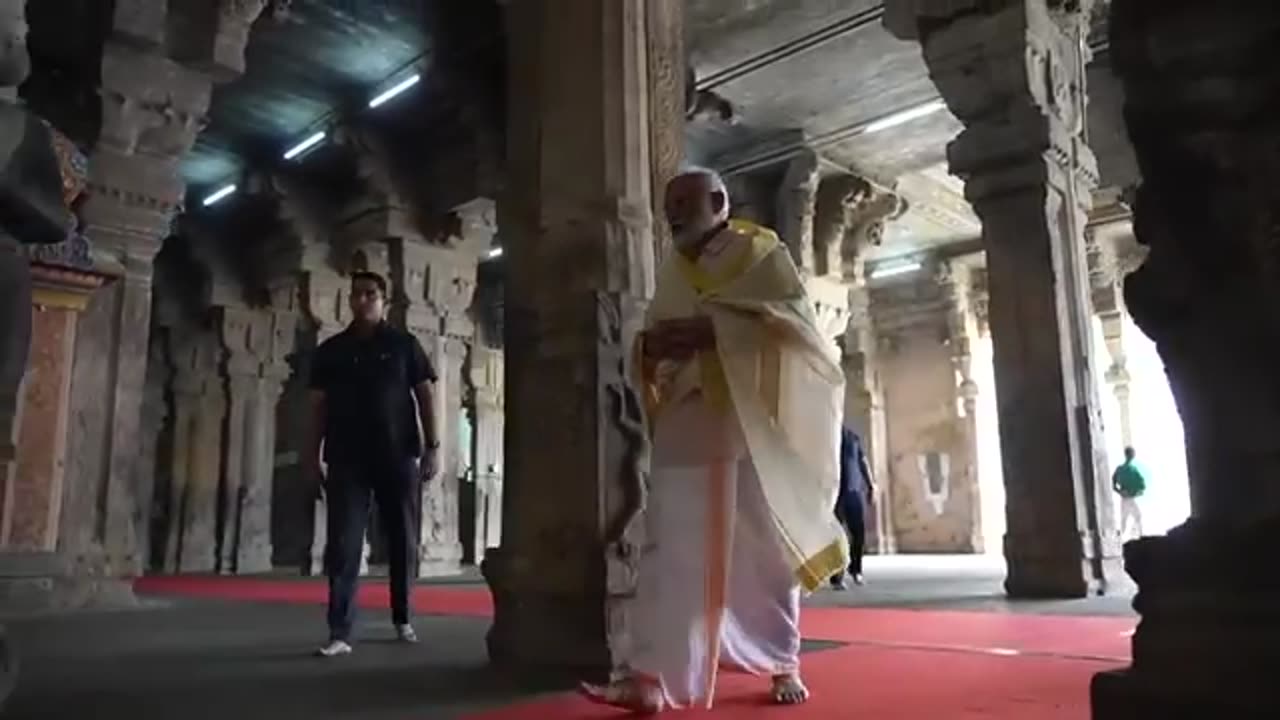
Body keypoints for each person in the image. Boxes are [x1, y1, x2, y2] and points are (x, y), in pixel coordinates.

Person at [582, 169, 848, 712]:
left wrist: (714, 331)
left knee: (763, 548)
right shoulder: (675, 268)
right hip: (690, 416)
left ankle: (782, 661)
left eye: (685, 201)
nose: (673, 212)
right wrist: (650, 347)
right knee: (666, 547)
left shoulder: (761, 254)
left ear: (720, 201)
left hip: (755, 422)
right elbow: (654, 337)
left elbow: (799, 332)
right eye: (668, 204)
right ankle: (649, 678)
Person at [304, 271, 439, 657]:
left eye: (371, 294)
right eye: (357, 295)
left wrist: (433, 446)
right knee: (344, 543)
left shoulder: (403, 346)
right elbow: (316, 408)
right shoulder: (332, 351)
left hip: (397, 455)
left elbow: (425, 396)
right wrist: (311, 458)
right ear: (349, 301)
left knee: (402, 538)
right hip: (347, 458)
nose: (363, 300)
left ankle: (403, 616)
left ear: (385, 300)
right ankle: (341, 631)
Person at [831, 425, 876, 589]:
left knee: (858, 533)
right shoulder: (827, 438)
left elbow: (862, 460)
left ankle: (856, 569)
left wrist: (871, 485)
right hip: (835, 492)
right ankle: (837, 576)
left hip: (853, 491)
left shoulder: (852, 437)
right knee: (836, 536)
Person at [1112, 446, 1146, 540]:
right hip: (1127, 497)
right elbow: (1113, 483)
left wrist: (1120, 492)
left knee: (1127, 519)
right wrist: (1121, 492)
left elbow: (1141, 484)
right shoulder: (1127, 469)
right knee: (1134, 517)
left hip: (1128, 497)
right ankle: (1136, 535)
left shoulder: (1131, 469)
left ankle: (1122, 536)